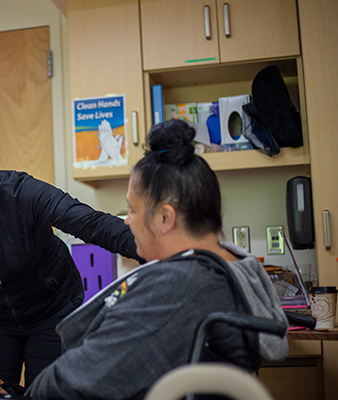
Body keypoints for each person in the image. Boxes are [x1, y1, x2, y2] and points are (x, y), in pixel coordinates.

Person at [26, 119, 288, 400]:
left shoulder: (178, 288)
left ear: (165, 217)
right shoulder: (231, 265)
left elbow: (68, 385)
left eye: (132, 209)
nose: (126, 221)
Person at [0, 118, 142, 399]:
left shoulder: (17, 191)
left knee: (49, 393)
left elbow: (89, 223)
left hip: (51, 309)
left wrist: (154, 248)